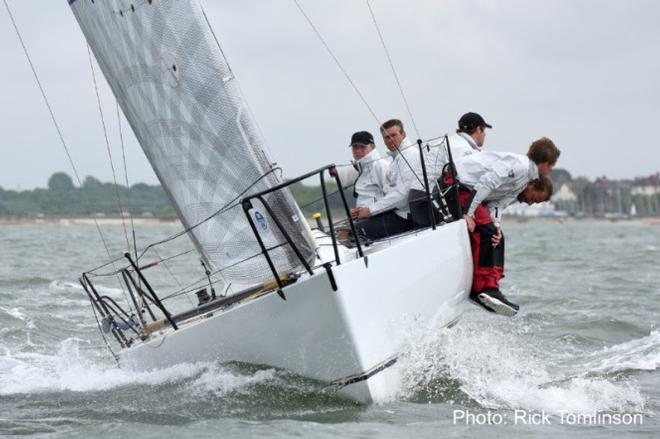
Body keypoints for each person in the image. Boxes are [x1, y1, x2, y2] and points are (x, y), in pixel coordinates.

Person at [454, 138, 560, 316]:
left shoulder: (525, 178)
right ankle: (483, 288)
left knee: (496, 236)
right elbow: (486, 183)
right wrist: (469, 213)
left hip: (468, 191)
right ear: (544, 163)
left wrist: (496, 227)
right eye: (551, 166)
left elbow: (497, 204)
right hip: (457, 185)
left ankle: (491, 287)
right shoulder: (519, 166)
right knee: (486, 232)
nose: (550, 170)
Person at [409, 112, 493, 227]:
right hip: (429, 199)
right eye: (484, 131)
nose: (485, 135)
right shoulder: (462, 147)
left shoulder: (453, 141)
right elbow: (466, 179)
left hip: (419, 197)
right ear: (479, 130)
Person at [352, 119, 420, 240]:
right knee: (345, 230)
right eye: (386, 138)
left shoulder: (410, 156)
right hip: (396, 213)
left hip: (407, 216)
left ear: (403, 135)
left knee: (350, 232)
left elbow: (402, 195)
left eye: (393, 135)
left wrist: (370, 210)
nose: (390, 140)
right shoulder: (397, 159)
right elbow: (389, 192)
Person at [336, 131, 389, 210]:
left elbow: (390, 195)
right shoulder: (362, 169)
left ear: (372, 147)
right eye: (355, 147)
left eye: (362, 147)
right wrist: (358, 211)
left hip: (380, 216)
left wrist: (370, 210)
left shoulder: (381, 165)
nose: (358, 150)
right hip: (367, 217)